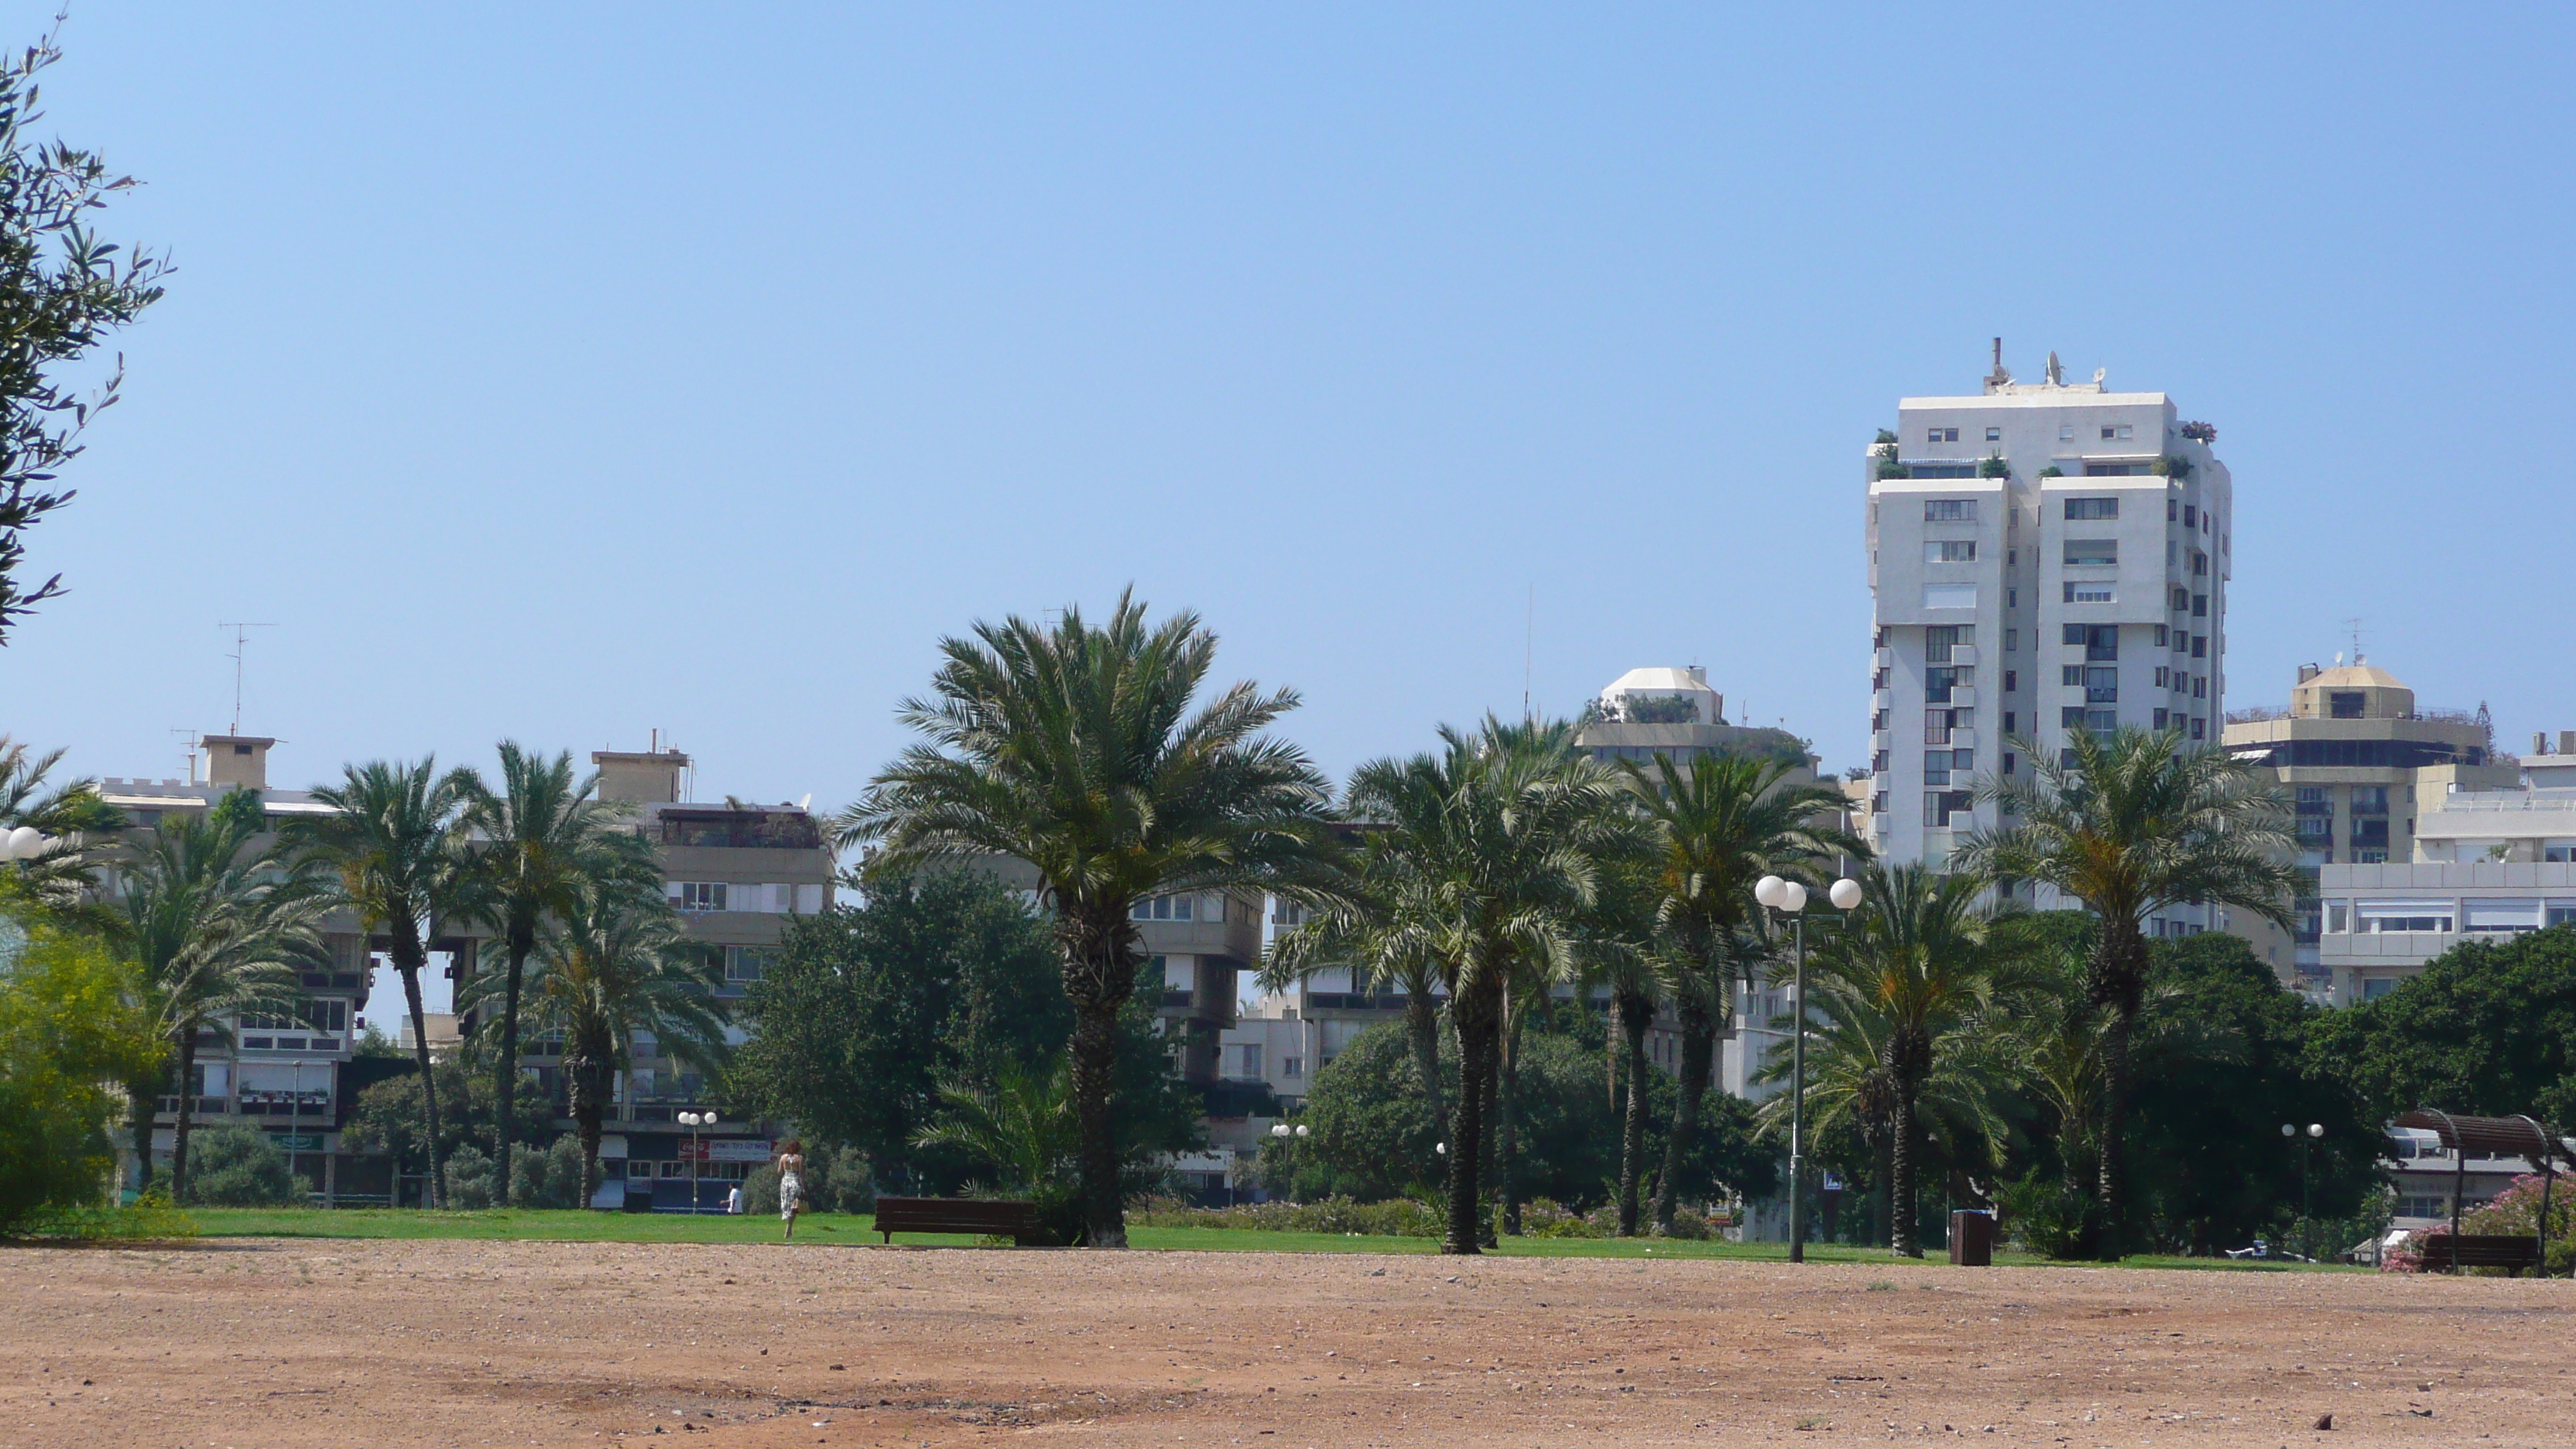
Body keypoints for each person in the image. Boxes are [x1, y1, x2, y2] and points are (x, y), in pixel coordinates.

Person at [775, 1139, 805, 1240]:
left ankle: (788, 1227)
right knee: (794, 1206)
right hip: (795, 1182)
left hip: (785, 1182)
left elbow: (779, 1172)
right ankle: (789, 1229)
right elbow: (801, 1175)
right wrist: (803, 1187)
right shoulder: (800, 1158)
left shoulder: (783, 1158)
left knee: (786, 1204)